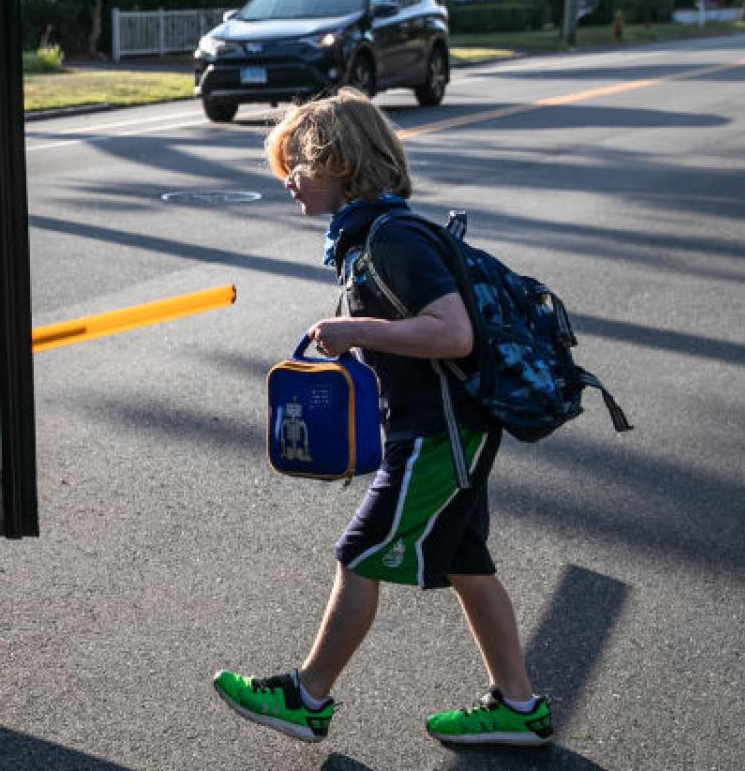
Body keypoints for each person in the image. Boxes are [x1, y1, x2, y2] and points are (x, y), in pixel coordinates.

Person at [212, 89, 554, 748]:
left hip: (441, 433)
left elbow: (452, 333)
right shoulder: (373, 235)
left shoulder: (391, 238)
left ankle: (307, 696)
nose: (287, 181)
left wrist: (354, 330)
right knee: (466, 561)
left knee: (359, 555)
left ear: (338, 162)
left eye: (296, 166)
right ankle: (519, 706)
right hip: (444, 429)